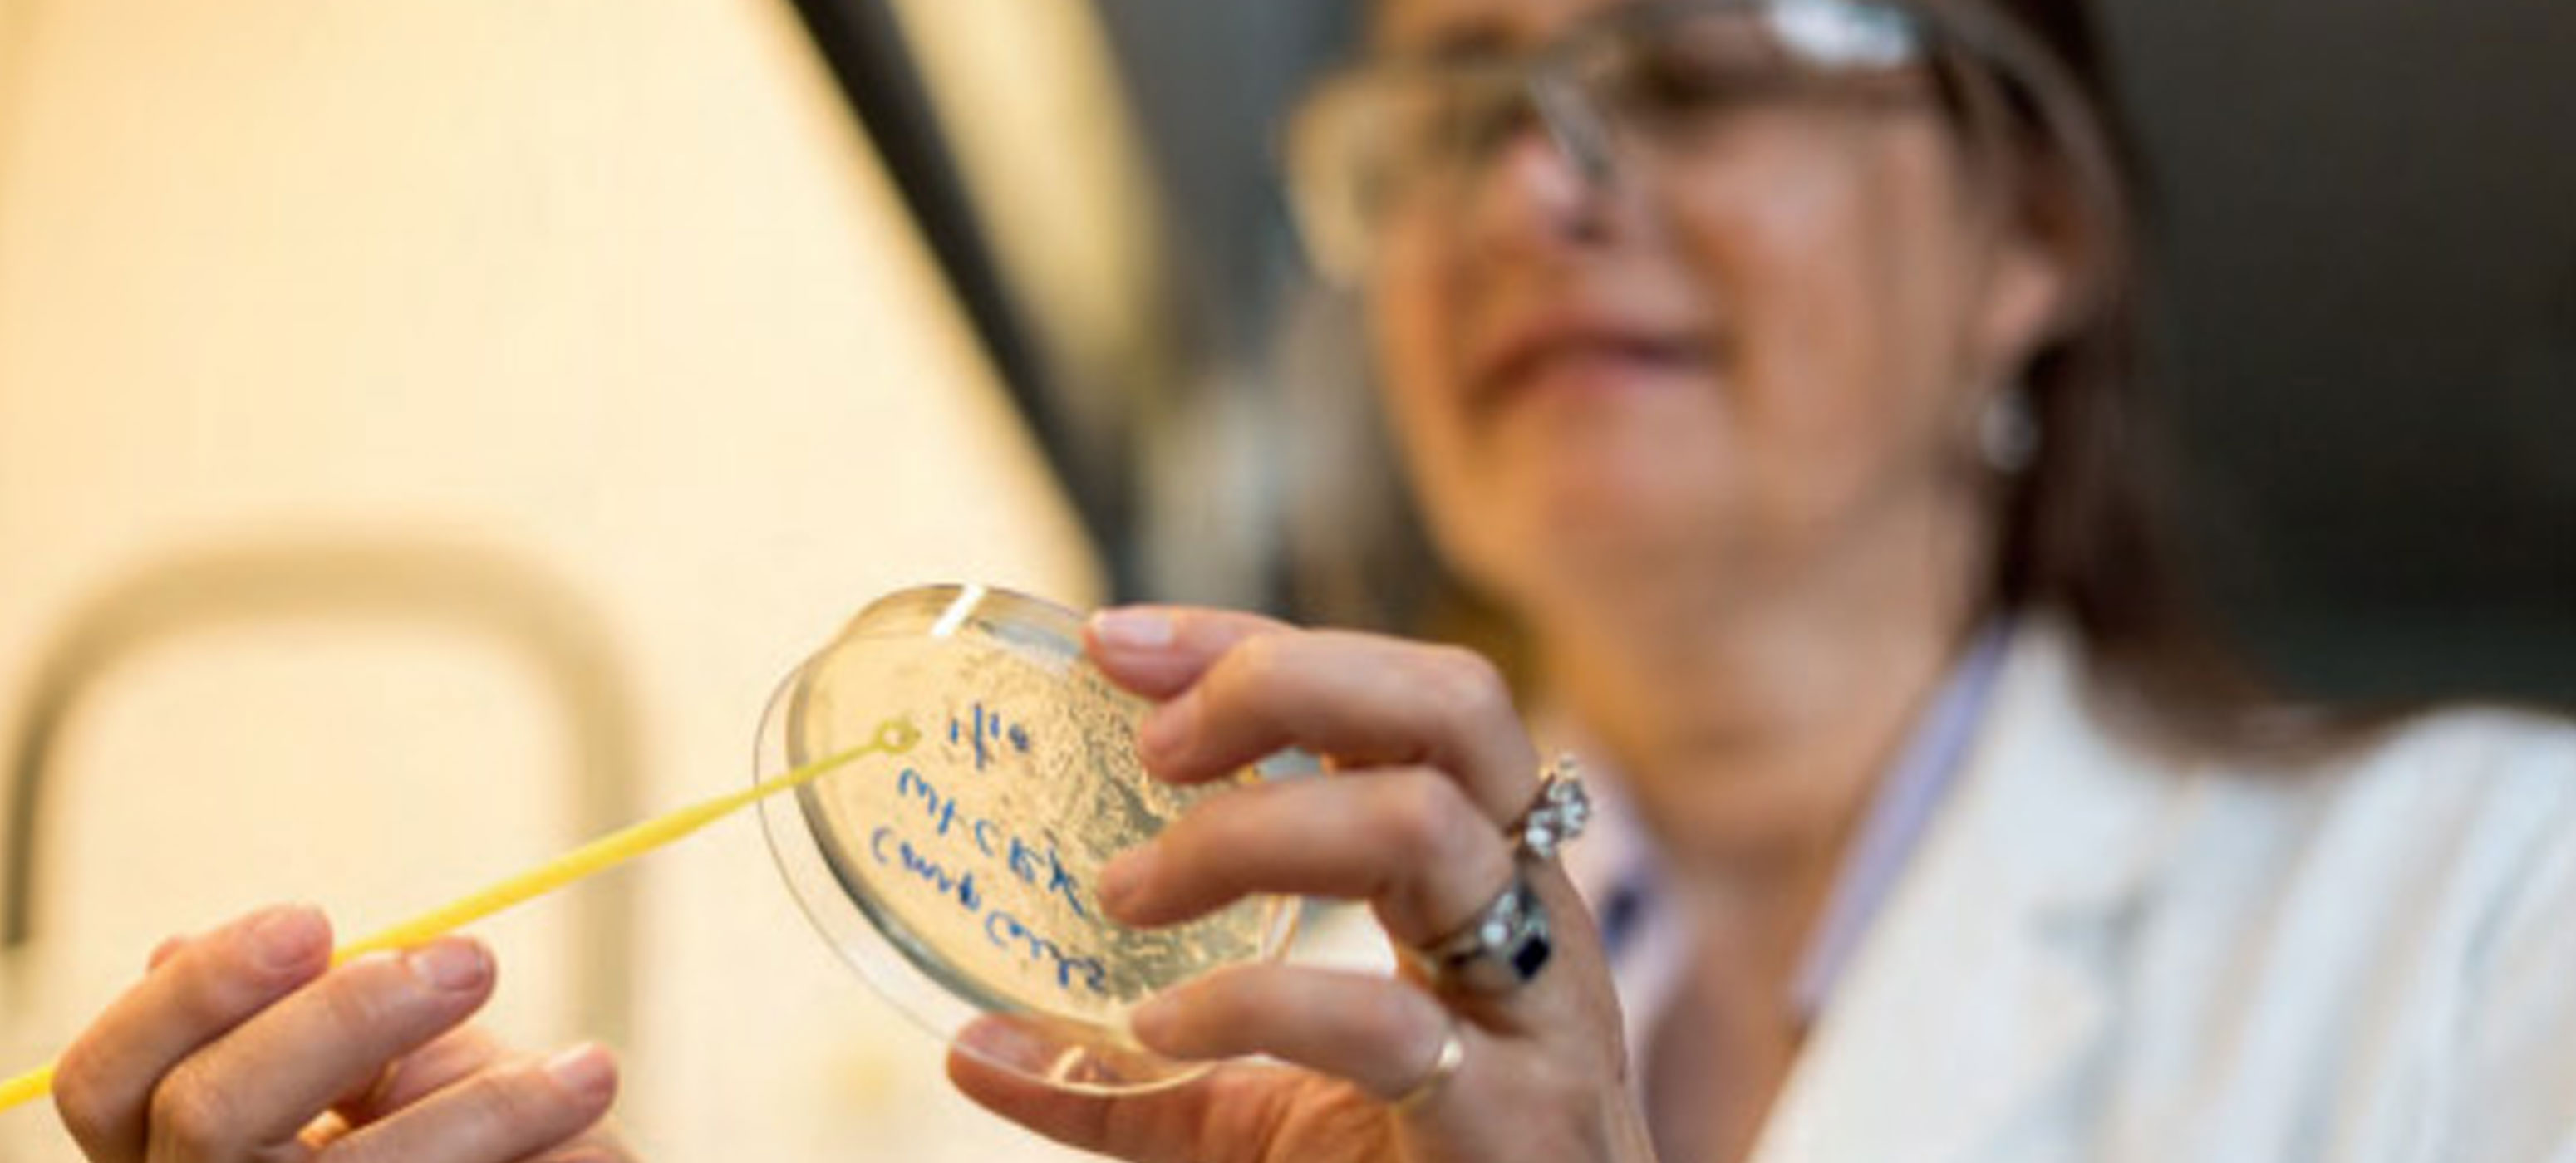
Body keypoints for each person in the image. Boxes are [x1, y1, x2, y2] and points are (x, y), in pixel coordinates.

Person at [44, 0, 2576, 1160]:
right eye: (1455, 102)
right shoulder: (1125, 1001)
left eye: (1689, 74)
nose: (1536, 184)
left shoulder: (2491, 907)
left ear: (2032, 229)